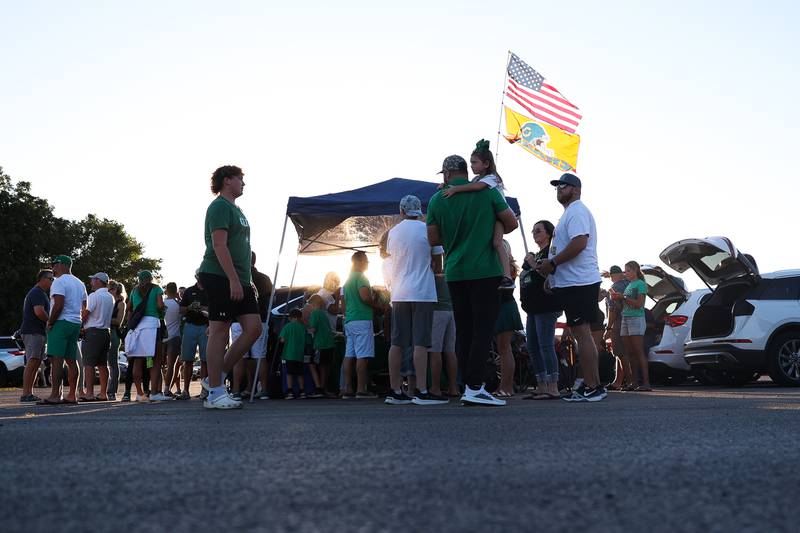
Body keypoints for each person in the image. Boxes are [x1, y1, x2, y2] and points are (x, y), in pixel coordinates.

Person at [427, 154, 518, 406]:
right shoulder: (488, 191)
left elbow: (433, 239)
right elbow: (510, 222)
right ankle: (474, 386)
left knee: (464, 330)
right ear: (467, 171)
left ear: (446, 174)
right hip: (485, 271)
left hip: (455, 271)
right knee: (483, 329)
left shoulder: (436, 199)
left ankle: (469, 385)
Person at [536, 173, 606, 402]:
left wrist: (553, 264)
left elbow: (579, 243)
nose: (559, 189)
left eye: (563, 185)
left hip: (580, 281)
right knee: (580, 333)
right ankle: (592, 385)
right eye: (557, 186)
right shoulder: (569, 213)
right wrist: (552, 276)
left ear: (576, 189)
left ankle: (593, 386)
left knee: (582, 333)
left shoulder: (576, 211)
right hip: (573, 281)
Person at [198, 165, 262, 409]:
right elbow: (219, 245)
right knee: (220, 329)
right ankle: (215, 392)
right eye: (240, 179)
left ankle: (213, 378)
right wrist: (233, 280)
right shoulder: (219, 207)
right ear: (227, 181)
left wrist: (247, 281)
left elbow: (241, 249)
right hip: (219, 275)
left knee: (254, 329)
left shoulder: (237, 210)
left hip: (241, 278)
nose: (243, 183)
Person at [384, 195, 445, 406]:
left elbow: (392, 257)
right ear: (419, 211)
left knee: (397, 342)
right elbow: (438, 264)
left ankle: (394, 390)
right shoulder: (428, 229)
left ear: (401, 211)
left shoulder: (393, 232)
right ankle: (421, 390)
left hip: (400, 292)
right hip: (423, 292)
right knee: (421, 342)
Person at [441, 139, 514, 290]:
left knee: (497, 243)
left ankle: (507, 276)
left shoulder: (491, 178)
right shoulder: (477, 179)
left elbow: (476, 187)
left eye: (474, 163)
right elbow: (470, 184)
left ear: (486, 164)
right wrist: (447, 185)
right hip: (493, 215)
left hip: (500, 215)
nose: (472, 166)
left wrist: (455, 189)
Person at [520, 220, 561, 400]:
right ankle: (541, 384)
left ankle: (553, 386)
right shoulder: (535, 255)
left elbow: (548, 274)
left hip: (546, 306)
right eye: (533, 231)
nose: (535, 233)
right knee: (532, 346)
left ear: (549, 233)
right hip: (532, 307)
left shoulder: (551, 253)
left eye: (539, 230)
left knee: (545, 345)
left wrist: (532, 262)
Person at [40, 255, 87, 405]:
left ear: (61, 265)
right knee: (72, 360)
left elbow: (59, 304)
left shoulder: (59, 282)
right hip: (75, 323)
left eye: (54, 264)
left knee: (57, 360)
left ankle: (55, 395)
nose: (52, 267)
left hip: (61, 322)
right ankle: (72, 395)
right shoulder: (80, 283)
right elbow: (84, 307)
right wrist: (80, 322)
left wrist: (50, 322)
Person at [341, 251, 380, 399]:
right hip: (362, 319)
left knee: (349, 355)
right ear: (359, 261)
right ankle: (361, 389)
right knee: (362, 356)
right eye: (366, 261)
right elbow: (365, 297)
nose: (367, 264)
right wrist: (376, 306)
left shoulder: (346, 281)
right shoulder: (362, 278)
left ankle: (348, 388)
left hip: (349, 321)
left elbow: (343, 306)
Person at [610, 261, 652, 391]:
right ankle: (633, 382)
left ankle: (646, 383)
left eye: (628, 271)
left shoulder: (640, 284)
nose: (625, 273)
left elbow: (639, 304)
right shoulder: (630, 284)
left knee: (638, 351)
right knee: (630, 352)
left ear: (635, 271)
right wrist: (617, 298)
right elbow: (624, 304)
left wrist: (622, 297)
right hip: (626, 318)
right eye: (625, 271)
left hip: (636, 318)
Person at [125, 270, 165, 403]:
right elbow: (160, 305)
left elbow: (129, 307)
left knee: (138, 359)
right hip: (152, 324)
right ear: (151, 278)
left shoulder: (134, 291)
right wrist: (162, 309)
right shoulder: (156, 288)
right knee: (155, 360)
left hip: (138, 326)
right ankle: (154, 392)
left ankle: (139, 393)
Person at [493, 241, 523, 397]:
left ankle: (507, 386)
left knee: (504, 349)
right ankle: (504, 386)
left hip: (505, 307)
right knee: (503, 349)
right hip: (505, 307)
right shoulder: (508, 267)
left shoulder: (505, 268)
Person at [19, 269, 53, 403]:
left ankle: (29, 393)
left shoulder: (41, 293)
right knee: (32, 361)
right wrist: (50, 321)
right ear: (42, 279)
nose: (52, 281)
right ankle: (25, 393)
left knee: (36, 362)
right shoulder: (37, 292)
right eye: (50, 279)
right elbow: (39, 312)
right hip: (32, 331)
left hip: (38, 332)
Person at [80, 272, 115, 401]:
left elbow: (86, 313)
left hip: (93, 331)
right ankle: (103, 393)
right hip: (106, 332)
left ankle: (89, 393)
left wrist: (80, 325)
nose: (91, 282)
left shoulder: (94, 296)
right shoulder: (110, 297)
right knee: (102, 364)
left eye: (93, 280)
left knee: (88, 364)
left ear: (98, 281)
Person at [429, 249, 459, 398]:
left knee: (435, 350)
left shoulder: (434, 275)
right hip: (452, 312)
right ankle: (454, 387)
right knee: (450, 350)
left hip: (437, 312)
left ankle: (435, 387)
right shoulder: (452, 270)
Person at [179, 273, 209, 400]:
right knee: (188, 359)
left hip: (205, 326)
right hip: (190, 325)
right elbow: (181, 309)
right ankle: (185, 390)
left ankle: (204, 390)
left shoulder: (211, 290)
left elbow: (215, 308)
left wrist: (201, 307)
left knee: (205, 360)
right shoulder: (189, 291)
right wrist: (190, 307)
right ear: (196, 277)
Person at [603, 266, 631, 390]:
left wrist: (608, 328)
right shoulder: (630, 283)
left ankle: (630, 382)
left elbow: (612, 310)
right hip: (631, 321)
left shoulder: (614, 288)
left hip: (619, 322)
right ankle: (618, 382)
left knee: (620, 353)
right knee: (625, 353)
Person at [307, 294, 336, 397]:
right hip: (329, 343)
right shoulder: (324, 314)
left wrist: (305, 328)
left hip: (320, 344)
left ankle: (318, 388)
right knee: (324, 366)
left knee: (312, 365)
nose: (308, 307)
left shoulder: (315, 314)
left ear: (314, 304)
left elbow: (313, 329)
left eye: (309, 305)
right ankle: (323, 388)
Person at [279, 308, 307, 399]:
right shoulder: (303, 327)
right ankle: (302, 391)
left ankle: (290, 391)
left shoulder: (287, 326)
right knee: (300, 373)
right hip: (300, 355)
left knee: (289, 373)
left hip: (289, 354)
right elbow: (307, 340)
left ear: (292, 318)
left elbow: (282, 340)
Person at [107, 280, 126, 401]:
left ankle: (112, 391)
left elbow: (118, 322)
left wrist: (104, 318)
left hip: (114, 333)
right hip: (104, 331)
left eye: (109, 289)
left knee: (113, 363)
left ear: (114, 290)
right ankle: (105, 390)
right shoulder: (108, 301)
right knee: (103, 363)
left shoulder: (121, 303)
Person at [161, 282, 182, 398]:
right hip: (174, 337)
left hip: (161, 337)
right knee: (171, 365)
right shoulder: (178, 304)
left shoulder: (161, 303)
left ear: (166, 291)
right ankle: (166, 389)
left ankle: (156, 389)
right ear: (176, 291)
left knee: (157, 365)